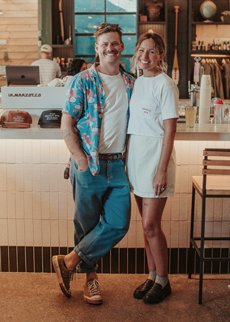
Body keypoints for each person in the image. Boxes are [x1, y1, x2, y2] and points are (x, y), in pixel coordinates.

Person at [52, 23, 134, 305]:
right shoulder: (82, 80)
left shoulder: (131, 82)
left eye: (115, 43)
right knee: (86, 225)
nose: (110, 48)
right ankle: (91, 281)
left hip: (118, 165)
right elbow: (66, 124)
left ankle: (69, 261)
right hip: (90, 164)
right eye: (104, 44)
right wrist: (80, 161)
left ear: (121, 47)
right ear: (97, 48)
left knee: (119, 222)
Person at [127, 31, 179, 304]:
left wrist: (162, 171)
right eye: (141, 50)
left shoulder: (166, 84)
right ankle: (151, 275)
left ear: (161, 56)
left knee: (151, 225)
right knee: (144, 226)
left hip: (156, 159)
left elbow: (170, 131)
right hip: (136, 157)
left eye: (151, 51)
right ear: (136, 52)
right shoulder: (136, 83)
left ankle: (164, 280)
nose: (145, 56)